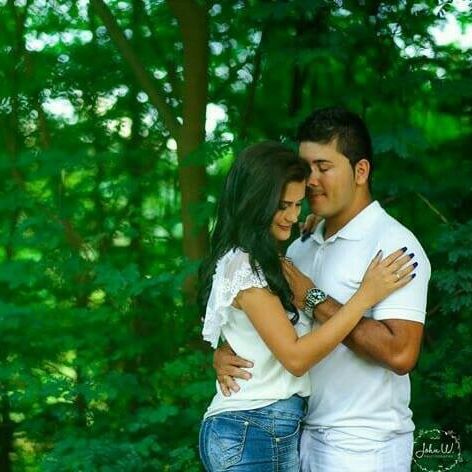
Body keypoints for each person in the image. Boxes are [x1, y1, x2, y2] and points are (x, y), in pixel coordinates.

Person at [214, 107, 431, 471]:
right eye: (305, 167)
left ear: (361, 171)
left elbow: (401, 354)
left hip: (362, 445)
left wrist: (314, 299)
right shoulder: (299, 244)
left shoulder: (393, 245)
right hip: (294, 436)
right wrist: (227, 351)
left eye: (323, 167)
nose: (310, 179)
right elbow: (267, 324)